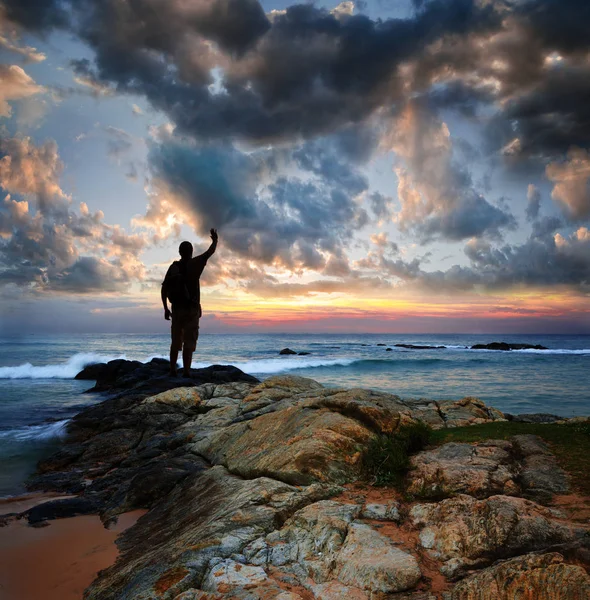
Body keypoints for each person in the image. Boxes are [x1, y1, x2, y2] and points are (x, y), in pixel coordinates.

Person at [161, 229, 218, 377]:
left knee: (175, 341)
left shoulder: (173, 267)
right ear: (191, 251)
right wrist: (215, 240)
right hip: (192, 310)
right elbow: (209, 252)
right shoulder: (195, 264)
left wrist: (166, 309)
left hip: (177, 310)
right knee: (189, 341)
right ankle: (186, 371)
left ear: (180, 252)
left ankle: (172, 370)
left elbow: (164, 288)